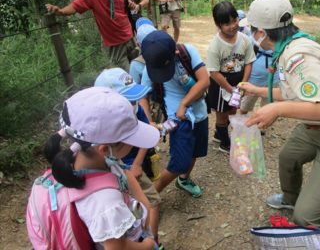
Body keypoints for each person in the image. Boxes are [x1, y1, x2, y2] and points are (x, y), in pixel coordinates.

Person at [238, 0, 320, 227]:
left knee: (305, 217)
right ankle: (290, 199)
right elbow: (297, 94)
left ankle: (311, 229)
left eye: (251, 29)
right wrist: (258, 90)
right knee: (288, 157)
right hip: (315, 129)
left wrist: (277, 109)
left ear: (260, 33)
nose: (250, 34)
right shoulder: (290, 46)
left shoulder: (299, 56)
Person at [36, 87, 160, 249]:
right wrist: (149, 244)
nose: (135, 144)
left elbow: (135, 192)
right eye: (131, 139)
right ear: (104, 149)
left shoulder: (84, 162)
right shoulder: (104, 202)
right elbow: (118, 248)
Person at [94, 68, 164, 249]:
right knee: (148, 205)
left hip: (129, 165)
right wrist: (147, 244)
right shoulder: (104, 198)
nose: (134, 103)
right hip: (126, 166)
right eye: (128, 99)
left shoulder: (134, 108)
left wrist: (137, 164)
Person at [140, 30, 210, 198]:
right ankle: (151, 195)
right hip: (177, 121)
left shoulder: (187, 52)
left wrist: (184, 103)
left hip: (199, 114)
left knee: (195, 152)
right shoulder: (150, 67)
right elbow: (143, 96)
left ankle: (184, 180)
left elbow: (204, 81)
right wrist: (149, 121)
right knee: (179, 163)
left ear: (175, 52)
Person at [45, 0, 139, 71]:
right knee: (127, 79)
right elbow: (75, 6)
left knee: (139, 71)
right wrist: (60, 11)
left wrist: (131, 3)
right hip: (115, 45)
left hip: (130, 38)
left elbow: (128, 0)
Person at [206, 1, 255, 153]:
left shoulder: (245, 39)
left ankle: (218, 134)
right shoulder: (215, 45)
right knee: (222, 115)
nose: (233, 26)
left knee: (232, 111)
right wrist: (230, 89)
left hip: (238, 82)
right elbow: (213, 72)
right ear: (218, 25)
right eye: (227, 24)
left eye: (234, 20)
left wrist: (243, 84)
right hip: (221, 84)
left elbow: (248, 62)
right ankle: (224, 143)